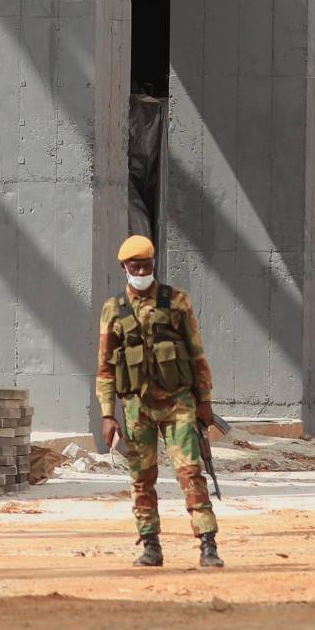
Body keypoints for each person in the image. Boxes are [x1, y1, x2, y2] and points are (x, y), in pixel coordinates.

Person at [95, 234, 222, 570]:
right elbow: (105, 369)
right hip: (136, 407)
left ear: (154, 264)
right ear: (124, 267)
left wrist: (204, 401)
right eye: (134, 265)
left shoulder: (176, 301)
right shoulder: (113, 310)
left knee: (190, 471)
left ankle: (208, 543)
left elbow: (197, 356)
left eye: (146, 264)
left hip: (178, 402)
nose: (141, 270)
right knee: (141, 478)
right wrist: (108, 415)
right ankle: (150, 545)